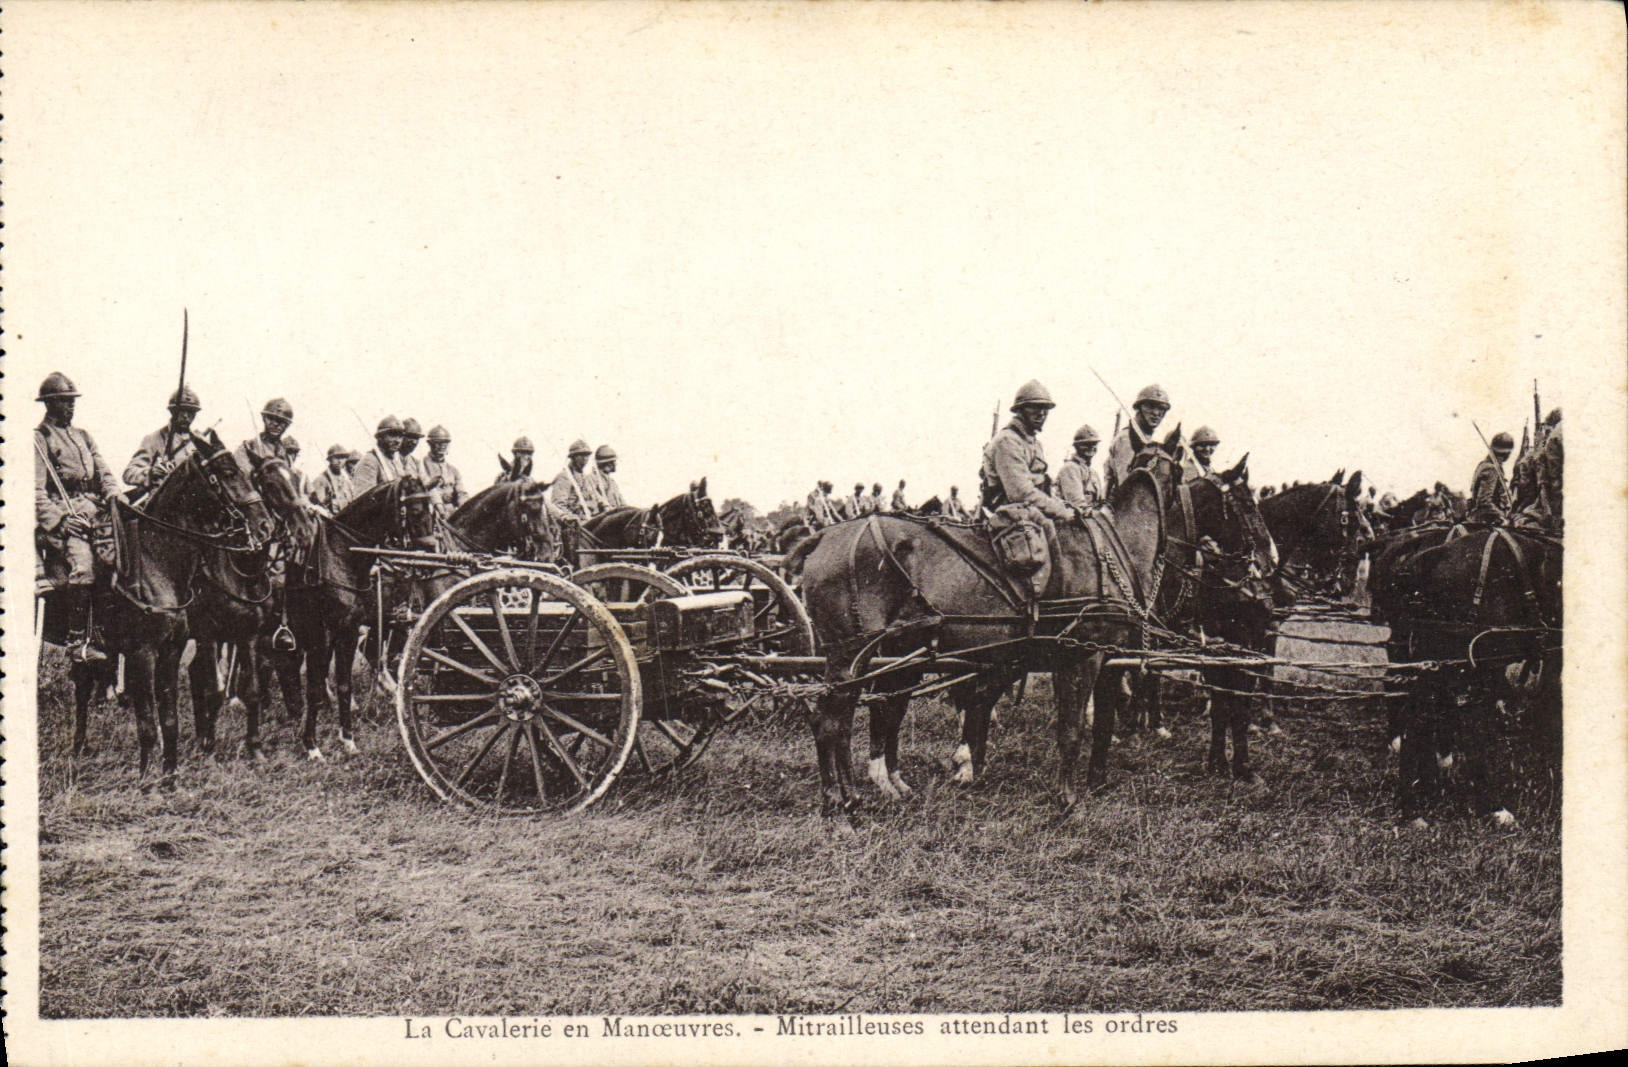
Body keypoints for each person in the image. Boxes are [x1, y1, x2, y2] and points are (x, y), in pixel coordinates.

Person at [35, 372, 122, 662]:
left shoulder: (83, 436)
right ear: (49, 404)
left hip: (94, 510)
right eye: (63, 402)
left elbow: (104, 472)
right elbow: (36, 492)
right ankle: (77, 641)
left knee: (121, 559)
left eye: (72, 402)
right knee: (84, 565)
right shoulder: (40, 439)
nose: (70, 408)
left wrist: (113, 496)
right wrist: (60, 521)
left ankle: (107, 632)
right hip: (64, 516)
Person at [978, 379, 1073, 520]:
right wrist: (1060, 511)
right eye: (1035, 407)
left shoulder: (1034, 443)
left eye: (1045, 408)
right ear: (1020, 411)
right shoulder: (1007, 441)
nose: (1041, 413)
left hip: (1031, 512)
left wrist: (1063, 506)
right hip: (1009, 516)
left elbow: (1043, 487)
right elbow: (1020, 493)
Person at [124, 385, 201, 494]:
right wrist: (151, 472)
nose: (185, 416)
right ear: (172, 412)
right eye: (181, 411)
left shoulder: (200, 442)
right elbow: (129, 473)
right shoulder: (153, 440)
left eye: (190, 412)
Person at [1105, 384, 1171, 497]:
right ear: (1138, 408)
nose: (1156, 413)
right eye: (1150, 406)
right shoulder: (1126, 439)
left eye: (1161, 409)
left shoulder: (1148, 441)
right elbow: (1126, 484)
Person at [235, 397, 294, 474]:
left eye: (281, 421)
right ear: (264, 419)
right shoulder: (247, 448)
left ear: (287, 425)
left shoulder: (287, 457)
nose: (275, 424)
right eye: (271, 419)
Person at [351, 415, 404, 495]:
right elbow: (363, 501)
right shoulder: (369, 462)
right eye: (392, 435)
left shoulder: (396, 462)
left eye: (400, 436)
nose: (397, 440)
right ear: (380, 437)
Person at [1056, 423, 1105, 511]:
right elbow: (1077, 504)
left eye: (1094, 444)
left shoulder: (1093, 473)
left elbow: (1100, 501)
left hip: (1091, 517)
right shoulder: (1070, 469)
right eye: (1085, 444)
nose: (1091, 447)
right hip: (1075, 520)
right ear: (1076, 446)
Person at [1468, 431, 1514, 523]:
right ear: (1507, 454)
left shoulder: (1484, 465)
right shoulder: (1491, 469)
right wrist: (1502, 516)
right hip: (1487, 520)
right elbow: (1484, 502)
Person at [550, 438, 602, 519]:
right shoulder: (564, 477)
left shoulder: (587, 478)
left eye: (586, 455)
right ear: (573, 457)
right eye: (581, 455)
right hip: (575, 523)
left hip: (592, 519)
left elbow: (598, 500)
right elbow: (558, 505)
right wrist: (571, 517)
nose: (584, 459)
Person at [421, 425, 465, 516]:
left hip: (451, 512)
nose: (442, 446)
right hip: (430, 511)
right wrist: (440, 506)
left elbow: (461, 492)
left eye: (445, 443)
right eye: (438, 443)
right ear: (430, 444)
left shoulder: (453, 470)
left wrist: (464, 507)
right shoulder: (421, 466)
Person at [309, 444, 356, 515]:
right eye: (337, 458)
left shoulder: (346, 480)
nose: (340, 461)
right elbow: (318, 506)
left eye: (343, 458)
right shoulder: (322, 480)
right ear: (330, 459)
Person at [591, 445, 626, 509]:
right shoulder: (592, 479)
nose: (615, 464)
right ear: (608, 463)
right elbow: (595, 498)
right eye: (614, 462)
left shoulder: (612, 482)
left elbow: (621, 502)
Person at [397, 418, 427, 482]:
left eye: (416, 438)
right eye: (410, 437)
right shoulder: (389, 459)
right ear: (400, 436)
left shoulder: (416, 463)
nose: (414, 442)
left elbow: (425, 482)